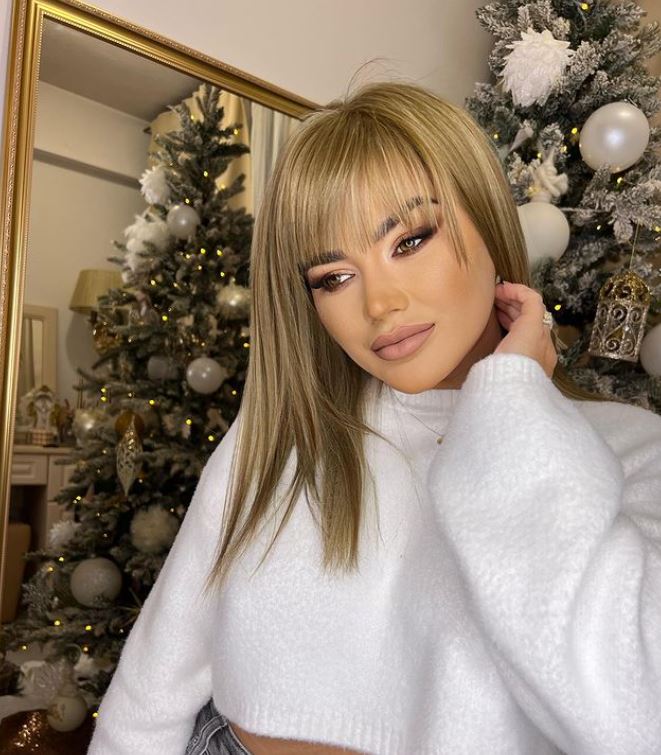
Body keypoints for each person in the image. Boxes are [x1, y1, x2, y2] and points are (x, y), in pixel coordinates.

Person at [87, 81, 661, 755]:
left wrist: (513, 403)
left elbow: (634, 716)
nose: (379, 304)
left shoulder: (629, 450)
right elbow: (154, 684)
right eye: (333, 277)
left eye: (410, 240)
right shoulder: (282, 433)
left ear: (488, 222)